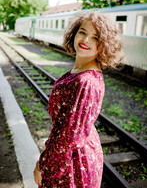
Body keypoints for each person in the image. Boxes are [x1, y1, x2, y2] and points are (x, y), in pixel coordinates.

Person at [33, 11, 124, 188]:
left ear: (104, 45)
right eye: (83, 32)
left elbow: (68, 138)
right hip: (70, 155)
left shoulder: (86, 82)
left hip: (73, 164)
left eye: (95, 37)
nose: (86, 40)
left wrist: (42, 164)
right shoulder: (80, 72)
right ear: (74, 33)